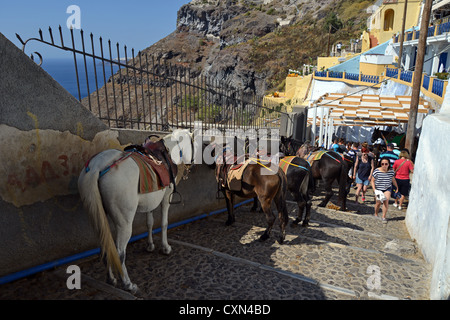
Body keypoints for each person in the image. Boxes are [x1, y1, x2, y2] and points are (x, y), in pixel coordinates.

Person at [371, 158, 399, 223]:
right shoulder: (377, 171)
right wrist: (374, 189)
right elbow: (372, 181)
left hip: (387, 188)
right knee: (378, 202)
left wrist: (397, 187)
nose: (384, 165)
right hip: (378, 189)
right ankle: (376, 213)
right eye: (382, 164)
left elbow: (393, 180)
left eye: (386, 164)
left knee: (386, 200)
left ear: (388, 164)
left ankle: (384, 216)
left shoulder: (391, 171)